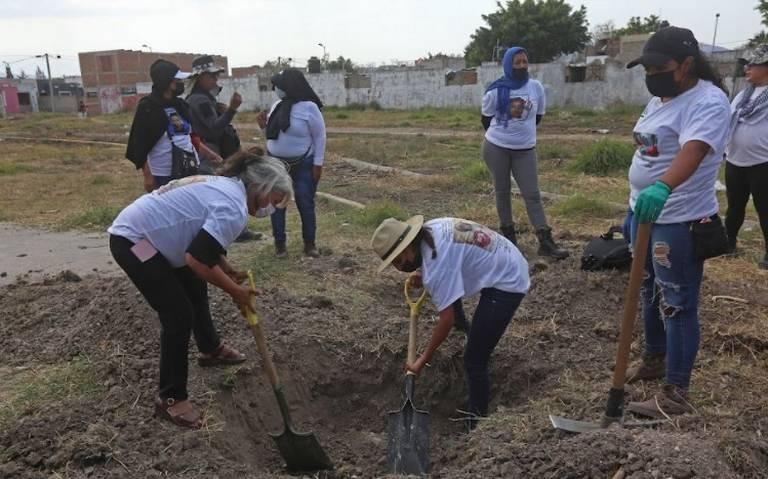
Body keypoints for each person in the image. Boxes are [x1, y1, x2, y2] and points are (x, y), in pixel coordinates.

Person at [108, 153, 294, 429]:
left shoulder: (228, 188)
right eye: (275, 199)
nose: (273, 208)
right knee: (178, 314)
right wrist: (235, 291)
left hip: (155, 237)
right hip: (135, 241)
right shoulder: (234, 207)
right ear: (261, 187)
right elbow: (196, 259)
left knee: (196, 288)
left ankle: (210, 349)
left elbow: (203, 241)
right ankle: (171, 399)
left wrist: (226, 268)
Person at [621, 27, 731, 418]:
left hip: (679, 217)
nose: (651, 74)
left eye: (658, 66)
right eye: (646, 67)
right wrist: (635, 204)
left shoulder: (708, 101)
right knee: (650, 287)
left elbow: (695, 149)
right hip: (644, 212)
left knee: (677, 304)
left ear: (686, 64)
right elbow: (652, 148)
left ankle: (676, 394)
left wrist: (662, 187)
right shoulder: (661, 98)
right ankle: (654, 358)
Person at [371, 215, 529, 427]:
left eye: (399, 261)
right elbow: (449, 260)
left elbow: (446, 320)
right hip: (504, 254)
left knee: (474, 361)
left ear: (409, 246)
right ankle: (464, 328)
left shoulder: (437, 267)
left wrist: (422, 360)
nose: (399, 268)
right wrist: (422, 272)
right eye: (394, 264)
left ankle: (477, 423)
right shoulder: (431, 231)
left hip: (508, 279)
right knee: (459, 315)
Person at [481, 46, 568, 259]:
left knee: (532, 194)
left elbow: (537, 117)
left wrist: (521, 136)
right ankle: (509, 241)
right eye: (516, 62)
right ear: (508, 64)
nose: (521, 66)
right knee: (502, 192)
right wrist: (505, 136)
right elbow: (486, 120)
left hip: (525, 150)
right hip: (496, 147)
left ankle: (545, 242)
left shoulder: (536, 87)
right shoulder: (495, 90)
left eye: (524, 62)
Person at [187, 55, 259, 242]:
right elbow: (214, 128)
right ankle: (229, 231)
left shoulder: (202, 99)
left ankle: (235, 229)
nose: (215, 80)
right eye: (211, 76)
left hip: (213, 150)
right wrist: (232, 110)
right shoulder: (200, 101)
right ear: (200, 77)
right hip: (209, 152)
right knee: (221, 191)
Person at [256, 68, 326, 258]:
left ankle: (310, 244)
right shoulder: (277, 105)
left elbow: (319, 136)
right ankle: (280, 245)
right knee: (277, 205)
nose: (275, 89)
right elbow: (274, 136)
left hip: (303, 164)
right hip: (277, 164)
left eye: (277, 85)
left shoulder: (309, 108)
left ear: (289, 86)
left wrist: (318, 164)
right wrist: (263, 127)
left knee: (305, 202)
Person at [125, 59, 223, 192]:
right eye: (178, 80)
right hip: (163, 175)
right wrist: (148, 175)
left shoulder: (181, 105)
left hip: (189, 169)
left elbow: (189, 137)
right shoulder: (148, 107)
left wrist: (209, 153)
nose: (181, 83)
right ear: (168, 82)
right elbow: (138, 143)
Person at [724, 44, 768, 270]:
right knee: (734, 207)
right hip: (735, 161)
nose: (747, 68)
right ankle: (729, 243)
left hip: (763, 163)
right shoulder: (743, 94)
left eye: (753, 64)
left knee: (765, 209)